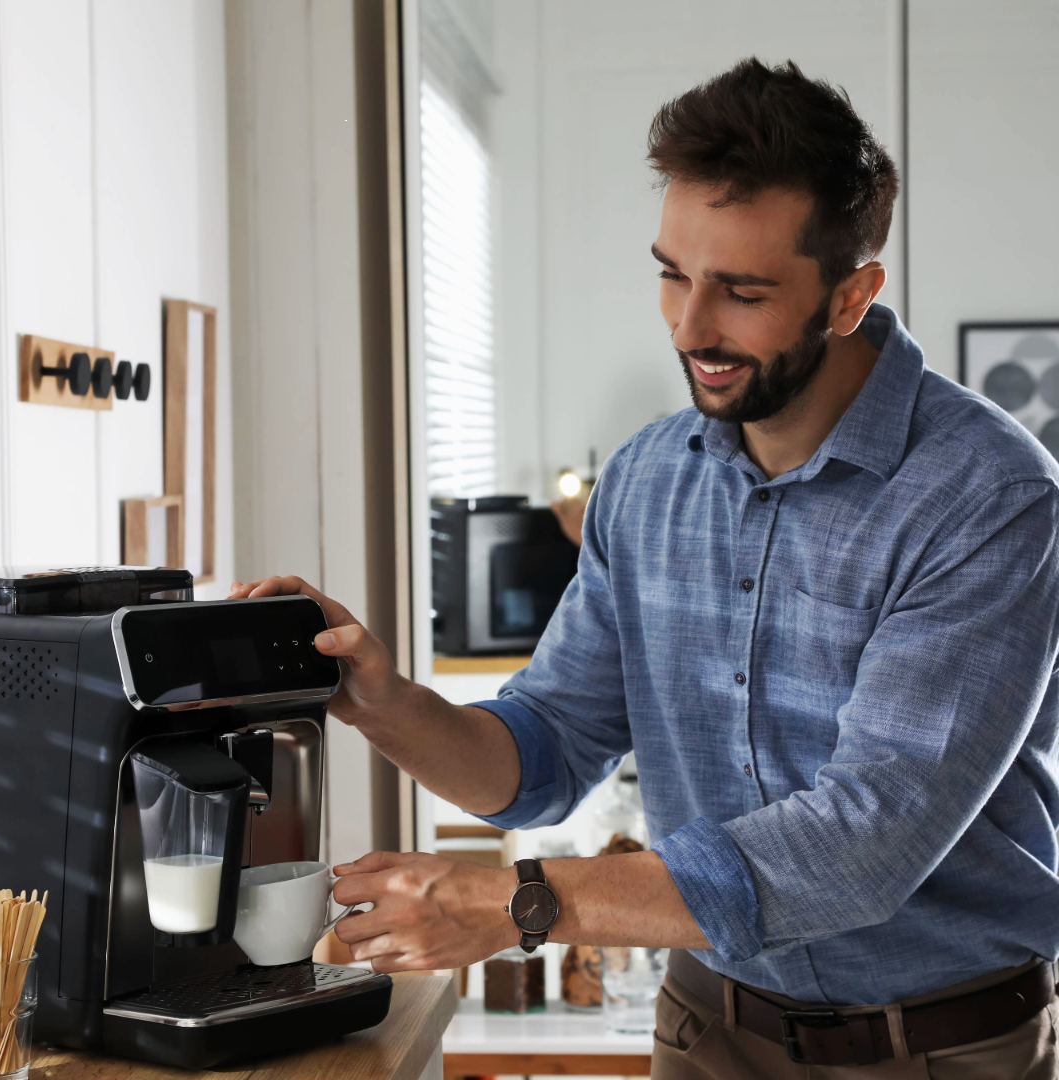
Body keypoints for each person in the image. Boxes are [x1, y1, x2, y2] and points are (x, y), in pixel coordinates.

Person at [230, 58, 1059, 1078]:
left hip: (933, 1050)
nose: (690, 327)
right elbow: (543, 756)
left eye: (742, 292)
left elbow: (864, 843)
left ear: (851, 297)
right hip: (705, 1030)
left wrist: (516, 901)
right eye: (673, 271)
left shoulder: (988, 498)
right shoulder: (648, 477)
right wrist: (383, 701)